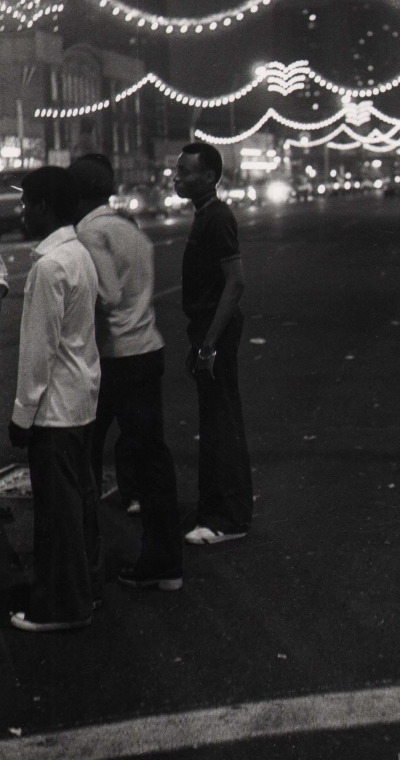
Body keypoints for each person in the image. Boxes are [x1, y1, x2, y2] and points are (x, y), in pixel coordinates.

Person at [69, 154, 182, 591]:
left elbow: (109, 294)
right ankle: (165, 561)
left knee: (84, 455)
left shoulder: (89, 231)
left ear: (77, 195)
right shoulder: (126, 227)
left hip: (114, 357)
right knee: (151, 457)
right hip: (147, 348)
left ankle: (83, 560)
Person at [8, 167, 102, 631]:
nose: (23, 212)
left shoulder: (49, 266)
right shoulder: (77, 253)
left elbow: (38, 349)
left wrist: (22, 415)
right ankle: (80, 591)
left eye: (27, 204)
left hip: (55, 408)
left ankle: (64, 606)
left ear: (45, 207)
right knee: (75, 506)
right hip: (79, 399)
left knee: (57, 514)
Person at [174, 142, 253, 545]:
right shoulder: (204, 214)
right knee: (217, 421)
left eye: (186, 172)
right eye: (177, 170)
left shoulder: (217, 217)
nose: (176, 177)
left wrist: (209, 344)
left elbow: (235, 282)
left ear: (209, 177)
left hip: (215, 331)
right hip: (207, 330)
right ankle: (220, 509)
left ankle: (228, 519)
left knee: (222, 423)